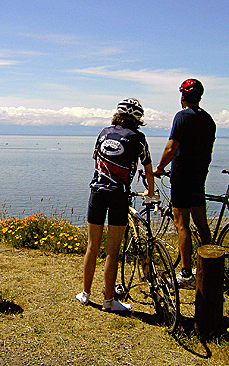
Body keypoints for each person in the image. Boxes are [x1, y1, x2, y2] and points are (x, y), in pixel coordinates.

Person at [76, 98, 155, 312]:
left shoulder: (103, 133)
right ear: (138, 118)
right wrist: (150, 192)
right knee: (112, 251)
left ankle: (85, 294)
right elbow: (148, 169)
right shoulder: (138, 138)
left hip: (97, 192)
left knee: (92, 247)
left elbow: (97, 159)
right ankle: (109, 301)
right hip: (119, 195)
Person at [153, 79, 216, 289]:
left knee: (182, 225)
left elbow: (171, 147)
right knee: (202, 224)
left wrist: (159, 168)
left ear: (182, 97)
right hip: (200, 176)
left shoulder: (182, 116)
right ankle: (210, 268)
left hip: (182, 177)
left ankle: (186, 274)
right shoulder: (209, 120)